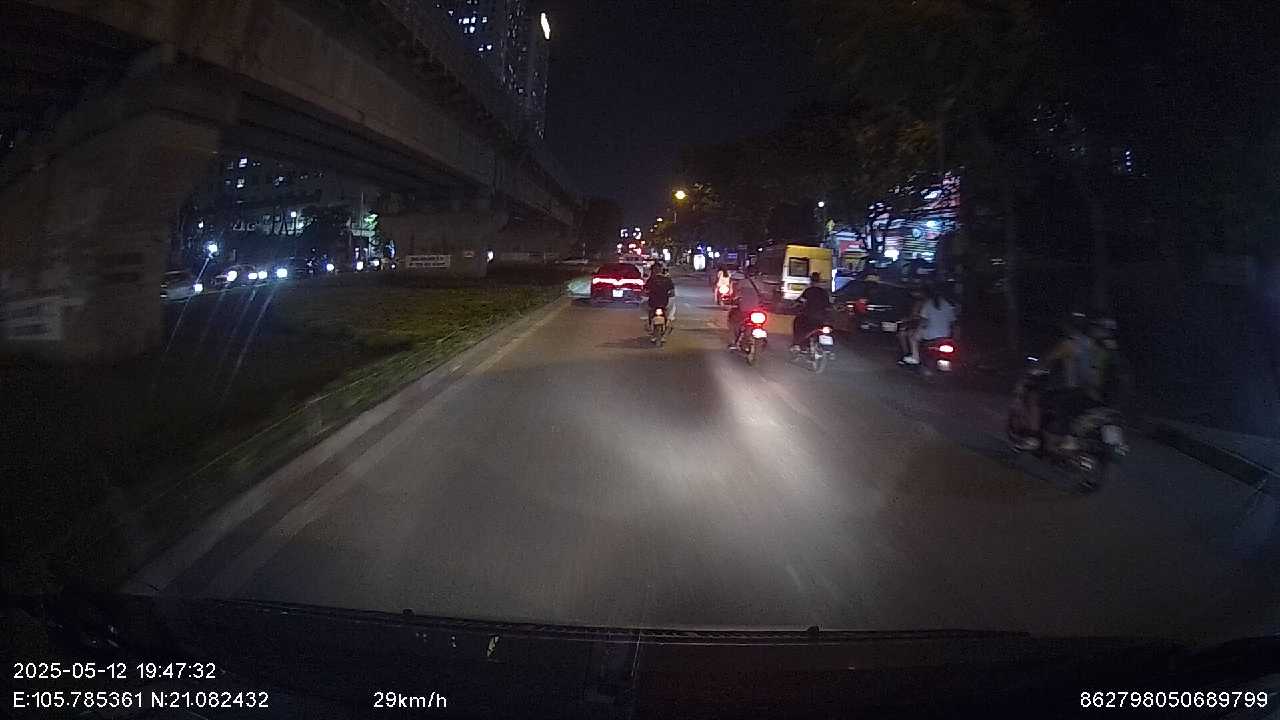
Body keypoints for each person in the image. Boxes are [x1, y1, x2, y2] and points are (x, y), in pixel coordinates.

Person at [901, 284, 958, 365]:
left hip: (930, 334)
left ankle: (915, 357)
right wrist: (954, 338)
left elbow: (923, 322)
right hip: (946, 335)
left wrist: (917, 332)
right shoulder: (948, 305)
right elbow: (953, 323)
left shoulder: (928, 304)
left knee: (912, 337)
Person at [791, 272, 831, 350]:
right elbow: (828, 305)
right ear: (819, 281)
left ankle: (797, 344)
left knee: (797, 322)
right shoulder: (824, 292)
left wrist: (794, 305)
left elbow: (800, 301)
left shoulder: (808, 291)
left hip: (808, 316)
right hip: (821, 318)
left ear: (811, 281)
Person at [644, 262, 676, 329]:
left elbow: (645, 290)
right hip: (664, 302)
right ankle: (669, 320)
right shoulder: (667, 279)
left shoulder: (651, 280)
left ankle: (649, 322)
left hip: (653, 302)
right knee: (672, 307)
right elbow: (672, 292)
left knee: (644, 306)